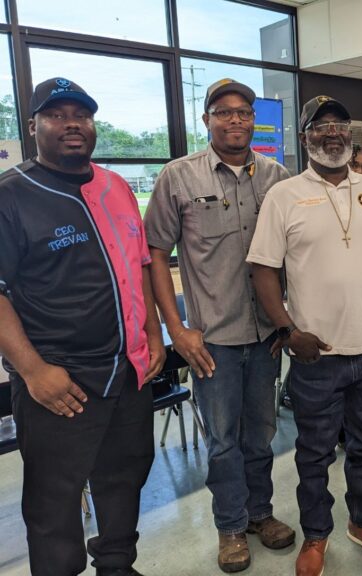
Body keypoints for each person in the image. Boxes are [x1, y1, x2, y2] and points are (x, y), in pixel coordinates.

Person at [0, 77, 165, 576]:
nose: (72, 124)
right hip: (60, 381)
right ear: (32, 126)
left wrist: (154, 336)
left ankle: (116, 565)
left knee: (125, 477)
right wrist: (32, 371)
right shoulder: (12, 196)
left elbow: (137, 267)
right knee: (55, 501)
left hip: (127, 372)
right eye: (56, 115)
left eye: (82, 115)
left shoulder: (115, 186)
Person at [248, 95, 362, 576]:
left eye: (340, 125)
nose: (333, 133)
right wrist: (287, 328)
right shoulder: (284, 195)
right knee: (314, 453)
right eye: (321, 127)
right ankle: (316, 534)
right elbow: (263, 269)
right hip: (315, 356)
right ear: (306, 137)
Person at [143, 78, 294, 573]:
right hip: (212, 340)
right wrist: (177, 329)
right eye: (223, 112)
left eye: (244, 113)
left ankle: (260, 514)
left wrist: (288, 322)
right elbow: (155, 255)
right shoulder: (178, 177)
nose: (235, 120)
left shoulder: (278, 176)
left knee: (262, 433)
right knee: (224, 439)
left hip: (266, 333)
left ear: (255, 120)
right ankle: (230, 526)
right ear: (206, 119)